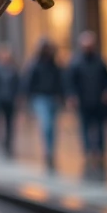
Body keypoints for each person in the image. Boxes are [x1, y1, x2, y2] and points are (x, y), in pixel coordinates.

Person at [65, 30, 107, 178]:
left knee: (100, 127)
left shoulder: (100, 61)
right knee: (85, 127)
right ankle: (88, 151)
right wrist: (72, 96)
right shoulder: (76, 63)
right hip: (84, 101)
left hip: (99, 101)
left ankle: (100, 151)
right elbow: (70, 82)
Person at [23, 37, 65, 172]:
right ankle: (48, 151)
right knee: (46, 124)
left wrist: (62, 97)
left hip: (53, 98)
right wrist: (27, 99)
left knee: (52, 126)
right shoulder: (35, 64)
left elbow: (60, 81)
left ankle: (51, 150)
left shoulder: (54, 64)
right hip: (40, 98)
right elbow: (29, 82)